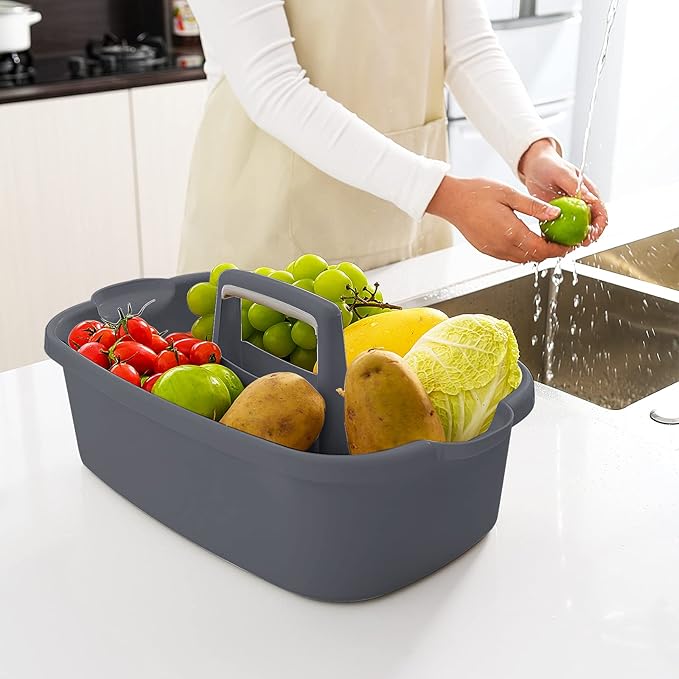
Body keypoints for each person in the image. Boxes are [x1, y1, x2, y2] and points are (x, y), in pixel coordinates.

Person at [178, 0, 607, 274]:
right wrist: (442, 194)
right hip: (274, 231)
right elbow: (273, 88)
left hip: (407, 223)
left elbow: (468, 46)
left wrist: (532, 148)